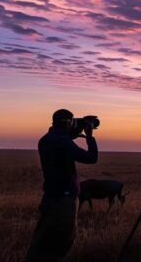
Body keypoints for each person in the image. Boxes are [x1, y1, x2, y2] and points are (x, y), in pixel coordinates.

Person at [25, 109, 99, 262]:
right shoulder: (64, 142)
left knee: (42, 240)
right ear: (67, 123)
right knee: (62, 242)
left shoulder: (45, 140)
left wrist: (75, 127)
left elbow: (62, 137)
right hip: (64, 200)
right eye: (72, 122)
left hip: (50, 196)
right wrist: (90, 136)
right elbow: (91, 158)